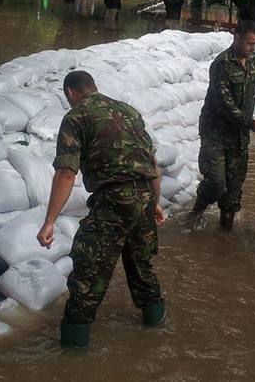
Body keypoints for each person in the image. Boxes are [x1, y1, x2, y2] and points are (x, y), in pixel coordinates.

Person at [36, 71, 166, 349]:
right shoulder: (128, 111)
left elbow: (66, 173)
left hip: (113, 202)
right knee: (142, 268)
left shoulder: (76, 116)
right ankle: (156, 333)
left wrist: (49, 221)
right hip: (144, 196)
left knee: (88, 275)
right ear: (94, 87)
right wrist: (155, 202)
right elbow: (153, 163)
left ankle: (71, 354)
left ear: (71, 92)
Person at [187, 20, 255, 231]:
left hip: (239, 135)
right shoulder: (221, 65)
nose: (253, 48)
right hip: (216, 133)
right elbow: (224, 104)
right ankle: (196, 212)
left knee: (233, 192)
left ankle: (225, 238)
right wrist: (252, 124)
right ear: (236, 37)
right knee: (216, 183)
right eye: (249, 43)